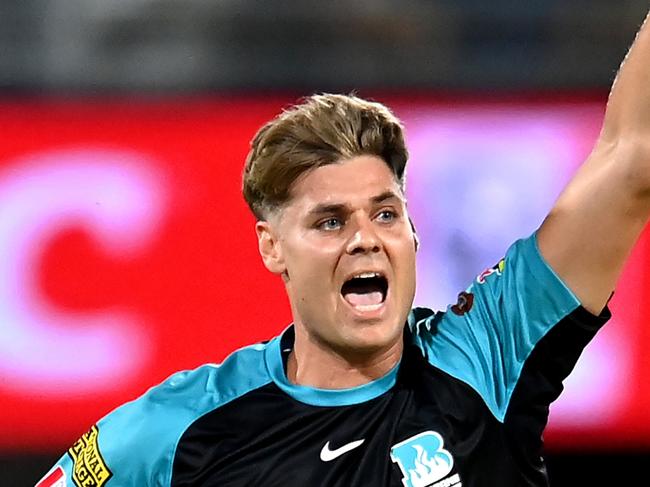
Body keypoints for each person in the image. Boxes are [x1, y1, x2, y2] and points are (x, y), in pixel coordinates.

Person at [36, 11, 650, 487]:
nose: (365, 238)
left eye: (386, 213)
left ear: (412, 232)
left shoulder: (485, 354)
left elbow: (632, 160)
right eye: (330, 222)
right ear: (273, 247)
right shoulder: (179, 430)